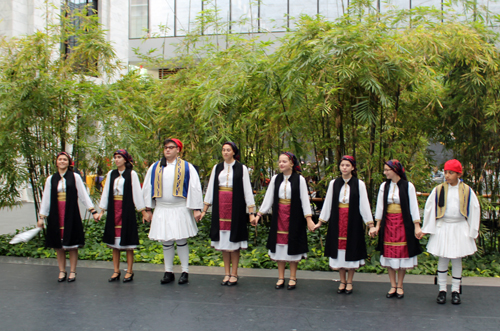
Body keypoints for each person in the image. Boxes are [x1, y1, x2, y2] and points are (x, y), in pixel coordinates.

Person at [419, 159, 480, 305]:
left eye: (450, 173)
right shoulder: (439, 189)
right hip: (443, 226)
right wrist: (426, 229)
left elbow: (474, 210)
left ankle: (455, 290)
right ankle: (441, 289)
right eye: (446, 172)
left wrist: (472, 232)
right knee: (443, 258)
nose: (447, 175)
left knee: (457, 259)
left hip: (459, 227)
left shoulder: (466, 190)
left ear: (458, 174)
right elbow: (430, 209)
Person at [142, 138, 203, 285]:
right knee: (166, 240)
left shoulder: (187, 167)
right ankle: (168, 271)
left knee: (181, 239)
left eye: (171, 147)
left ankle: (185, 271)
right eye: (165, 148)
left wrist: (196, 209)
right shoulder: (155, 167)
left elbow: (194, 187)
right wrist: (147, 209)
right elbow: (147, 188)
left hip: (180, 208)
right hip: (162, 208)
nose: (167, 150)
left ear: (178, 150)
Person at [253, 152, 316, 290]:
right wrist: (258, 215)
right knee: (280, 246)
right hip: (279, 216)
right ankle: (281, 277)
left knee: (293, 245)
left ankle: (293, 277)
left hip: (294, 217)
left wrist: (309, 219)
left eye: (284, 161)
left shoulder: (299, 180)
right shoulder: (275, 179)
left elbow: (305, 201)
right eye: (280, 161)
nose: (281, 164)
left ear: (292, 163)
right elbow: (268, 199)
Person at [314, 156, 374, 294]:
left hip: (353, 220)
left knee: (351, 249)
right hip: (337, 219)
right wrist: (321, 221)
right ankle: (342, 281)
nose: (344, 168)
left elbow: (364, 205)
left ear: (353, 167)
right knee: (339, 250)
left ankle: (350, 282)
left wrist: (370, 224)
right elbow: (328, 203)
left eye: (347, 165)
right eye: (342, 165)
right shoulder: (333, 183)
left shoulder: (359, 184)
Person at [37, 152, 98, 282]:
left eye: (65, 159)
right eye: (60, 159)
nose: (62, 161)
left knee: (72, 244)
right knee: (58, 244)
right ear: (56, 162)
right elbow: (46, 198)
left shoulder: (75, 177)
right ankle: (61, 271)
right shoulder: (50, 179)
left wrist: (92, 210)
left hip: (71, 212)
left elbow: (83, 195)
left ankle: (72, 271)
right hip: (56, 212)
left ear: (69, 162)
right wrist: (42, 216)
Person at [202, 142, 256, 286]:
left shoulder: (241, 168)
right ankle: (226, 273)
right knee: (224, 242)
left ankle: (234, 273)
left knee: (234, 241)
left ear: (234, 152)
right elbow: (211, 188)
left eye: (228, 150)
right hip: (220, 207)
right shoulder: (217, 168)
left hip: (235, 207)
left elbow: (247, 190)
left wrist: (251, 212)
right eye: (223, 150)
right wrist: (204, 208)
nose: (225, 152)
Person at [371, 159, 422, 299]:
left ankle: (400, 285)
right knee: (389, 253)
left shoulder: (408, 186)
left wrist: (417, 226)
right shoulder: (384, 186)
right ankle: (392, 285)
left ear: (395, 170)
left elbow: (413, 206)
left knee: (402, 254)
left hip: (402, 222)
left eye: (387, 170)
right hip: (388, 222)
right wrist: (377, 225)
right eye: (385, 169)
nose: (385, 172)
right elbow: (380, 206)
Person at [97, 149, 148, 283]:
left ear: (125, 159)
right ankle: (116, 270)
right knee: (114, 243)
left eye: (119, 157)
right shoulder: (111, 174)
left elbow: (137, 193)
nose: (116, 160)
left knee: (128, 243)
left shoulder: (132, 174)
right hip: (114, 209)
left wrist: (142, 211)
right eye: (115, 157)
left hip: (126, 210)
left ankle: (130, 271)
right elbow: (106, 192)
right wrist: (102, 210)